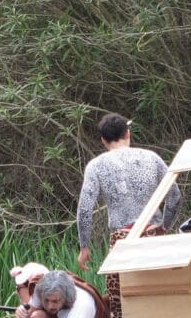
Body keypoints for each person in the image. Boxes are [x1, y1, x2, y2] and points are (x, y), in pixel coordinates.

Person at [76, 113, 180, 271]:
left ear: (103, 140)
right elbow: (175, 195)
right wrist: (164, 227)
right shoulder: (152, 158)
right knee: (160, 285)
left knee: (124, 287)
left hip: (122, 241)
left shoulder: (95, 166)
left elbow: (85, 210)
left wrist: (84, 246)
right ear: (127, 134)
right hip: (154, 237)